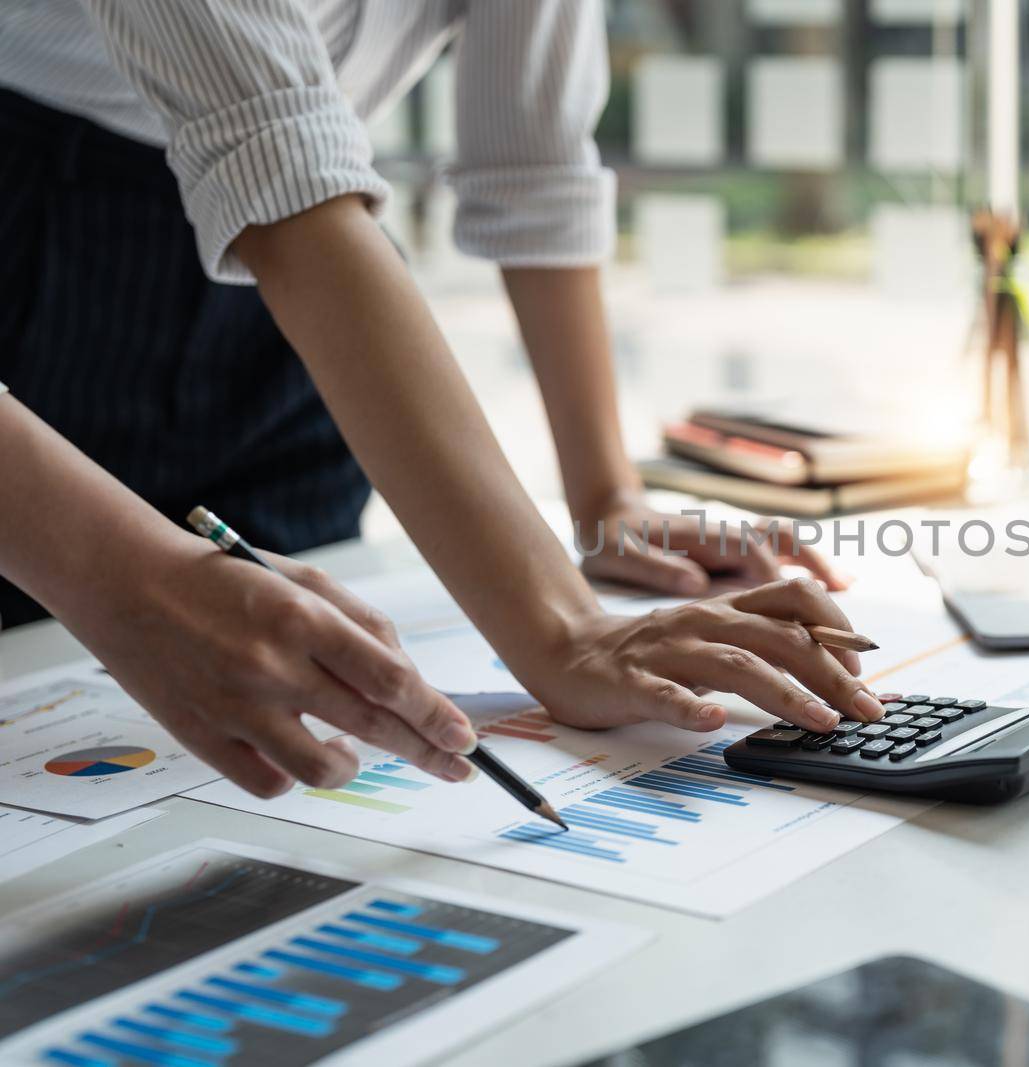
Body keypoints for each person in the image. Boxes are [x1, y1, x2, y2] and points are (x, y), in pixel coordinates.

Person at [0, 2, 885, 800]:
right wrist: (565, 631)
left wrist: (606, 499)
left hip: (314, 286)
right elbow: (282, 178)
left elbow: (534, 168)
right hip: (47, 236)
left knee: (284, 712)